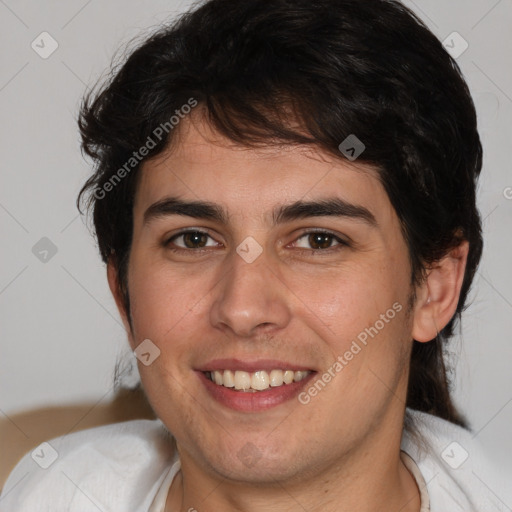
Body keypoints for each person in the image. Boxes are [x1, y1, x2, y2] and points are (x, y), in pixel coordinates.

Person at [1, 0, 510, 510]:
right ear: (123, 291)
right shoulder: (45, 494)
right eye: (193, 239)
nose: (243, 309)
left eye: (318, 240)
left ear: (434, 288)